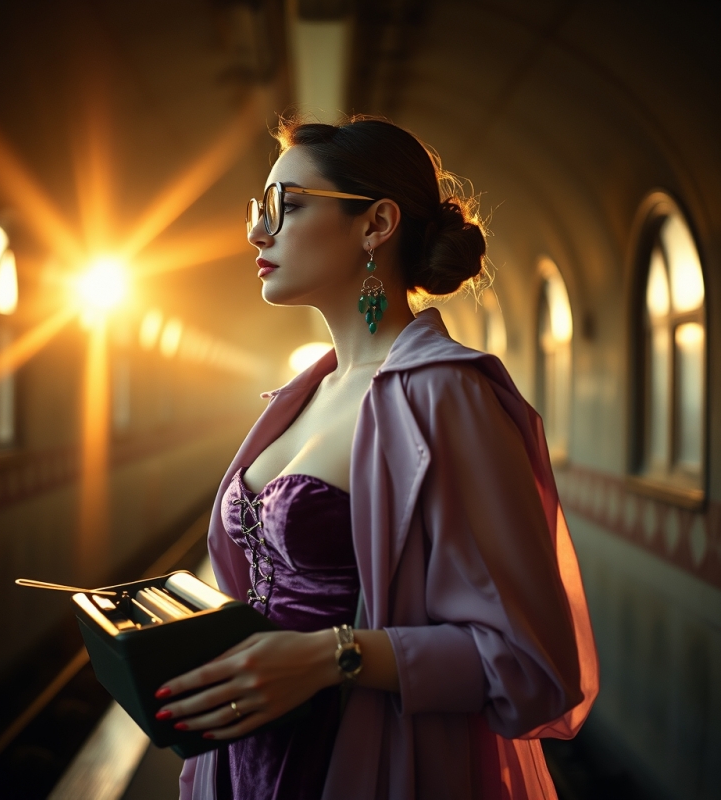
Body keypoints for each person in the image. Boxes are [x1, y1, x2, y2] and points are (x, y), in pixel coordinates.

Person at [155, 116, 599, 800]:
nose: (257, 232)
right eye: (259, 207)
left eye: (288, 206)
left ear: (376, 224)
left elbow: (533, 666)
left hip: (361, 766)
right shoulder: (302, 394)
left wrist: (335, 656)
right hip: (242, 766)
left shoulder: (448, 397)